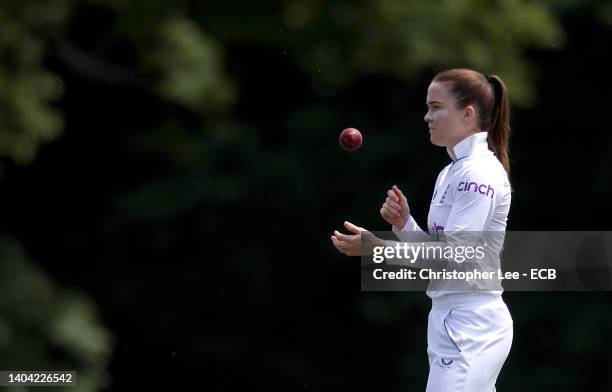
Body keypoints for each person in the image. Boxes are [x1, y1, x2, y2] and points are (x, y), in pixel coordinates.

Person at [331, 68, 513, 391]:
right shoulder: (451, 173)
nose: (427, 116)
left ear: (467, 114)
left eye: (436, 107)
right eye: (428, 107)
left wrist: (376, 247)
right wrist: (404, 224)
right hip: (450, 319)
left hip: (472, 324)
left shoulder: (479, 174)